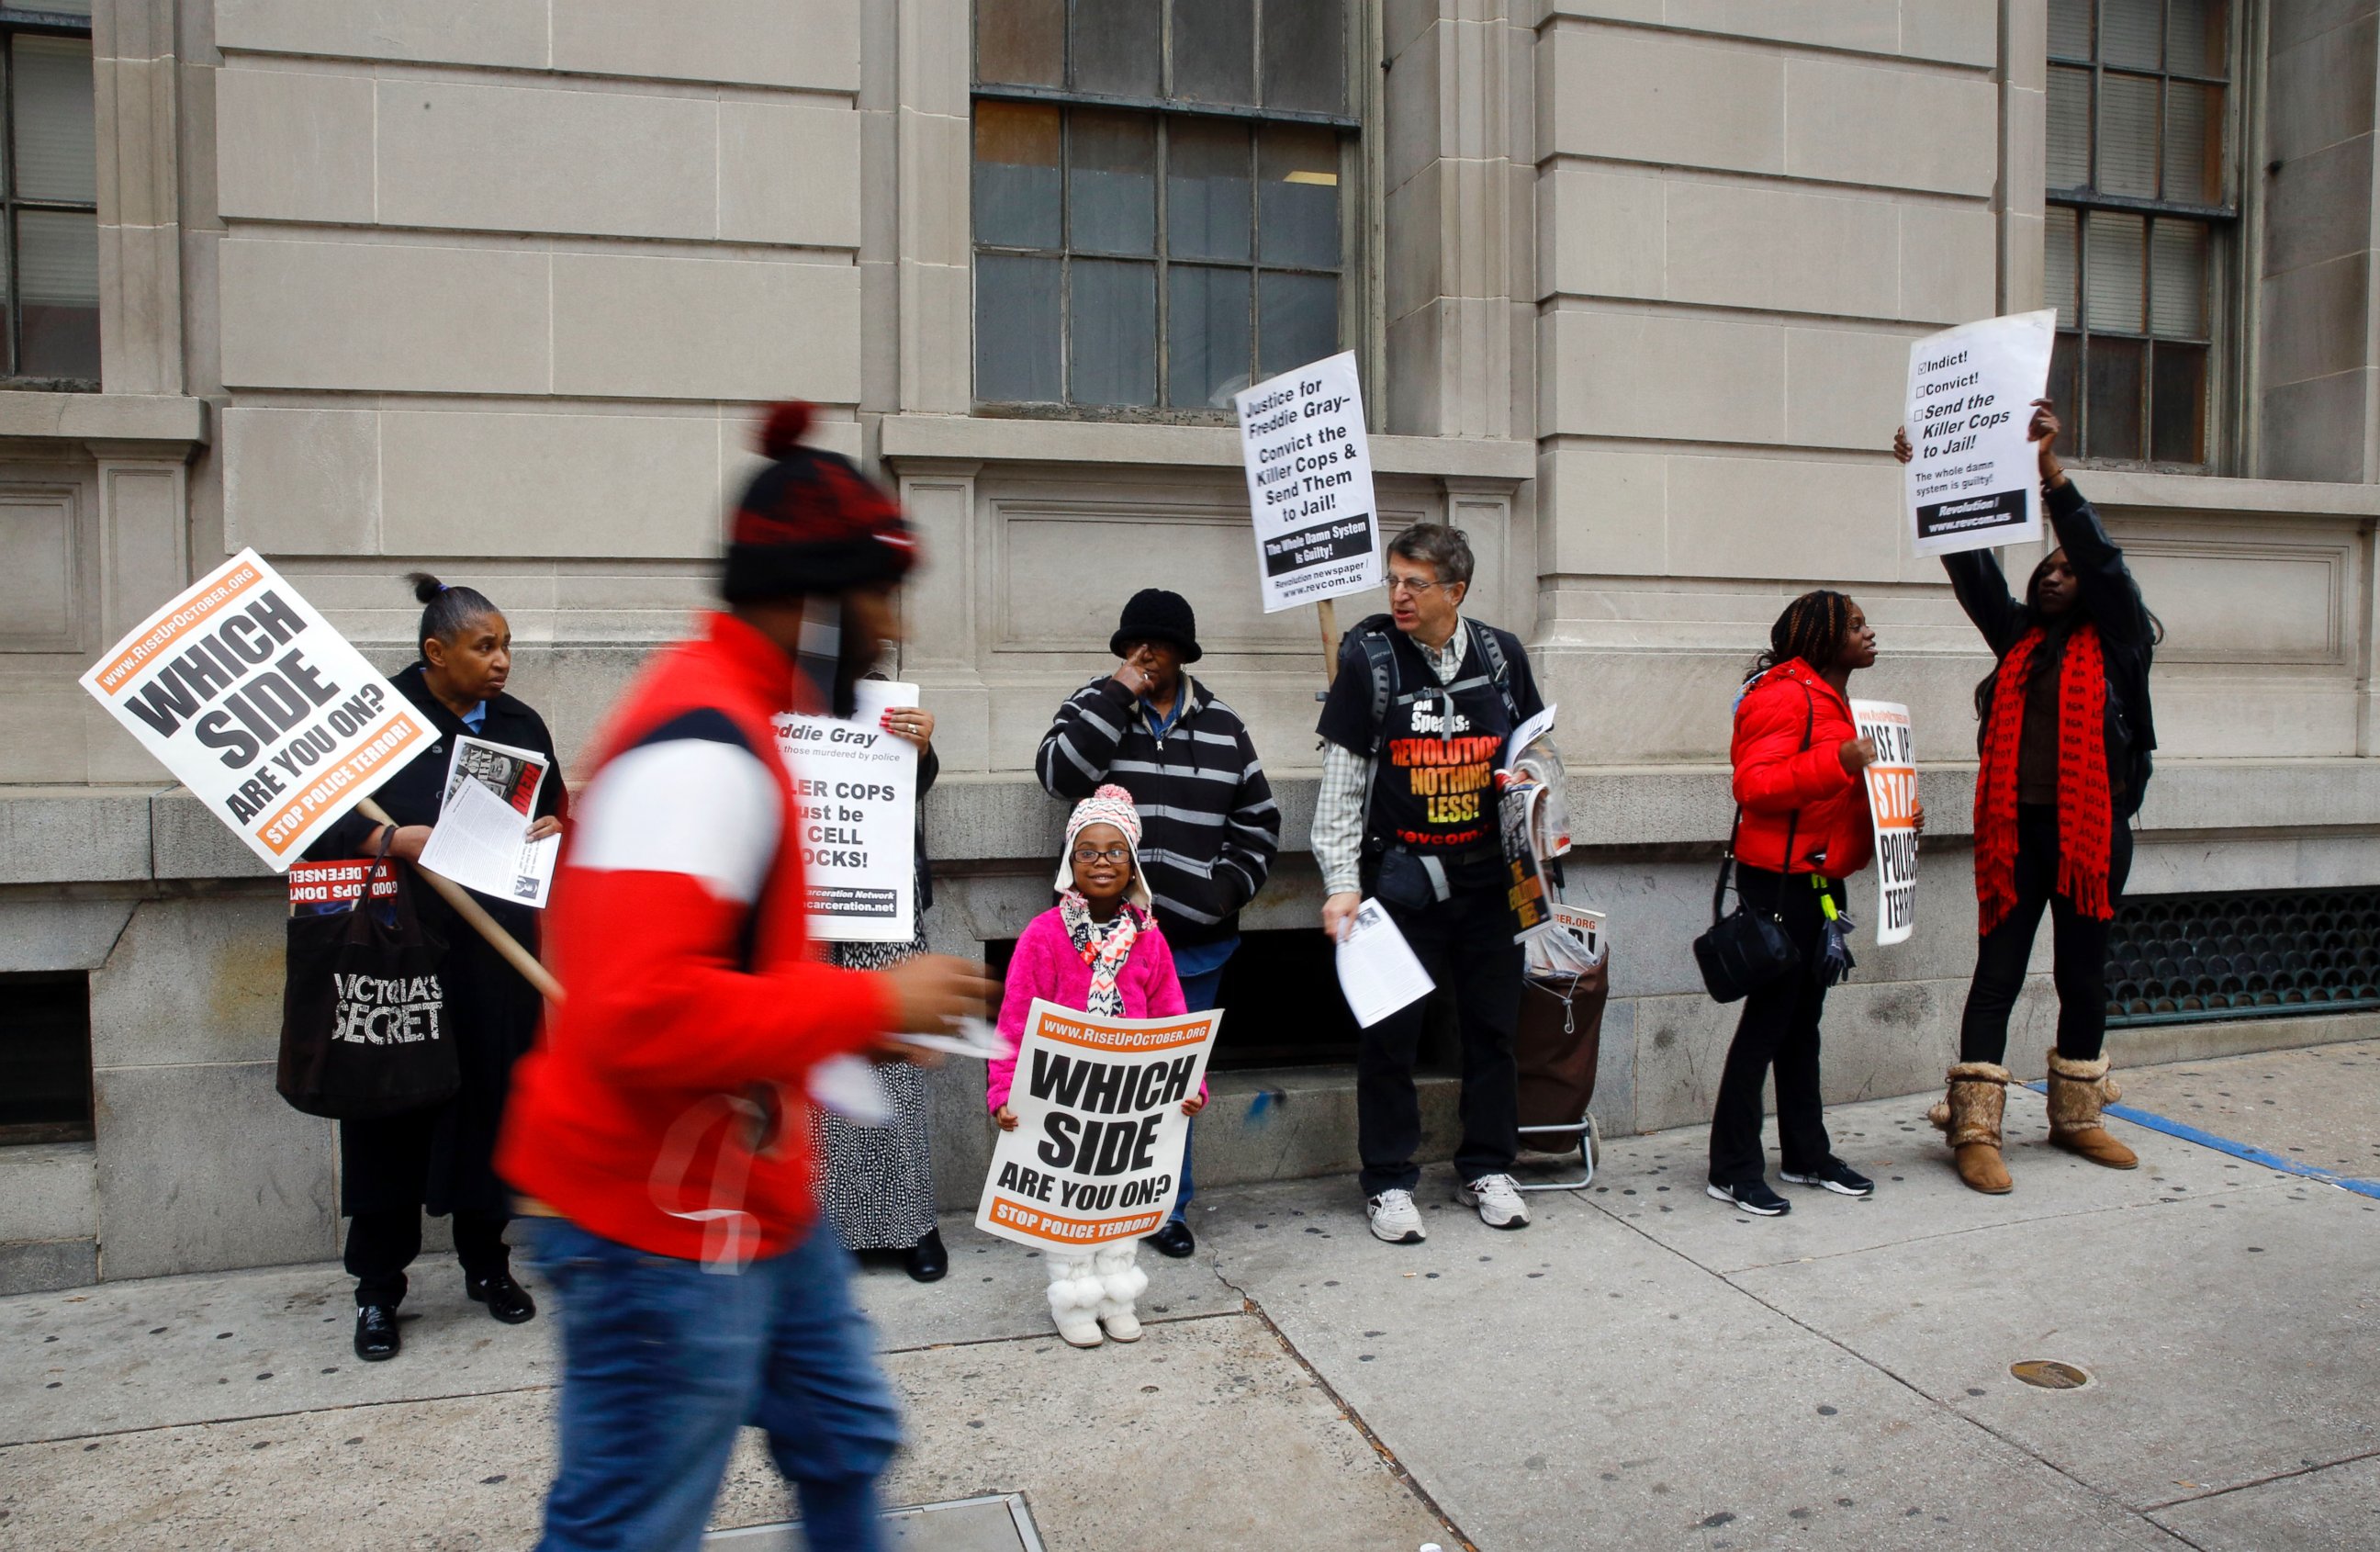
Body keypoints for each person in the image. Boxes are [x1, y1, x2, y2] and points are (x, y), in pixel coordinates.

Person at [496, 401, 997, 1552]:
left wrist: (844, 1029)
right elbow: (636, 1010)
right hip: (654, 1226)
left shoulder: (748, 720)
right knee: (623, 1529)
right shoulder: (699, 743)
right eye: (880, 597)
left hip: (756, 1201)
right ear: (817, 600)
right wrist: (871, 999)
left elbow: (722, 973)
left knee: (846, 1438)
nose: (890, 627)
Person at [1895, 401, 2161, 1194]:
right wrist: (1929, 478)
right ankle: (1975, 1126)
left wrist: (2049, 472)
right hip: (2016, 836)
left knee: (2083, 973)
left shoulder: (2121, 645)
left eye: (2064, 570)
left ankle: (2078, 1116)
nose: (2051, 575)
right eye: (2043, 570)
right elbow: (1975, 572)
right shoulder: (2017, 641)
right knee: (1997, 974)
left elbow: (2105, 566)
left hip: (2091, 836)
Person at [302, 573, 563, 1363]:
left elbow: (553, 808)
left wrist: (555, 825)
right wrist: (390, 841)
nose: (502, 661)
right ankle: (378, 1291)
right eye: (485, 647)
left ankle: (490, 1266)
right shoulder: (369, 724)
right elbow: (312, 824)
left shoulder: (518, 725)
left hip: (495, 956)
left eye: (507, 645)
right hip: (397, 959)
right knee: (389, 1119)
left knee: (493, 1106)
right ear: (434, 651)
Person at [1312, 523, 1547, 1244]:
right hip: (1403, 886)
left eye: (1415, 583)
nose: (1399, 595)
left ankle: (1487, 1165)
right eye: (1393, 580)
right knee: (1389, 1037)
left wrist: (1534, 785)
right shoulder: (1370, 658)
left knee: (1493, 1033)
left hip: (1490, 885)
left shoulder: (1503, 655)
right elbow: (1343, 781)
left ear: (1457, 591)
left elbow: (1537, 752)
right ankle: (1387, 1181)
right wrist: (1341, 882)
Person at [1035, 588, 1277, 1258]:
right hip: (1099, 944)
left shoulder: (1224, 725)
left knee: (1173, 1081)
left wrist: (1222, 891)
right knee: (1096, 1077)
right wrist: (1116, 696)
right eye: (1136, 645)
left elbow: (1259, 823)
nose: (1147, 655)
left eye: (1160, 646)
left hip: (1195, 944)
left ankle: (1166, 1208)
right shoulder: (1093, 705)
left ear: (1183, 653)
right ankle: (1092, 1205)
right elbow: (1058, 775)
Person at [1706, 591, 1915, 1217]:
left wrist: (1894, 817)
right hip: (1779, 885)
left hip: (1821, 885)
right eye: (1855, 625)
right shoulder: (1784, 695)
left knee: (1802, 1029)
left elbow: (1835, 797)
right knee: (1767, 1029)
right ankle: (1733, 1167)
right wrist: (1839, 759)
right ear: (1822, 638)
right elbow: (1754, 784)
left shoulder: (1833, 698)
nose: (1869, 633)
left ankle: (1805, 1154)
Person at [987, 785, 1204, 1347]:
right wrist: (1004, 1092)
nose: (1101, 862)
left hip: (1129, 1097)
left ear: (1131, 862)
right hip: (1063, 1097)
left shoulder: (1150, 940)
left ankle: (1117, 1293)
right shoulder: (1043, 935)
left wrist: (1190, 1082)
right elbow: (1014, 1022)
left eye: (1114, 851)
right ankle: (1074, 1298)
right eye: (1088, 852)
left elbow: (1171, 1015)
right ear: (1070, 863)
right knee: (1067, 1197)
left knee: (1120, 1196)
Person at [807, 685, 949, 1281]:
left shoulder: (876, 700)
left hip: (881, 898)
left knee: (891, 1058)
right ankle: (832, 1227)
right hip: (806, 903)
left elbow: (903, 790)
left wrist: (921, 750)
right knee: (823, 1060)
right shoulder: (771, 698)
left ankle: (911, 1223)